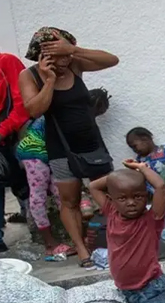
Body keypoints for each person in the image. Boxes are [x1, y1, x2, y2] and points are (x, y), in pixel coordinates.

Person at [18, 27, 119, 268]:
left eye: (64, 55)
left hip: (93, 144)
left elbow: (112, 60)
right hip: (61, 149)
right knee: (69, 201)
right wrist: (50, 80)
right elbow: (34, 110)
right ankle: (83, 251)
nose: (63, 61)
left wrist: (73, 50)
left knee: (112, 194)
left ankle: (117, 241)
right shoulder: (30, 75)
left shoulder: (75, 64)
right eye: (56, 57)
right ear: (42, 56)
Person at [89, 160, 165, 303]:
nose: (131, 202)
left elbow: (160, 186)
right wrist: (117, 176)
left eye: (137, 196)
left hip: (151, 289)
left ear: (145, 197)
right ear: (111, 199)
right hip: (125, 289)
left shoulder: (151, 219)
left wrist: (141, 169)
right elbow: (93, 186)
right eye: (122, 198)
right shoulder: (111, 212)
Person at [15, 87, 112, 258]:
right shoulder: (70, 115)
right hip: (34, 152)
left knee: (63, 196)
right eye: (100, 111)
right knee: (38, 196)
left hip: (53, 153)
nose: (99, 115)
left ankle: (78, 240)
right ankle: (49, 243)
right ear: (94, 106)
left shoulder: (79, 115)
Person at [0, 52, 31, 252]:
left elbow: (22, 103)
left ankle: (30, 217)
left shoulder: (6, 62)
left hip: (15, 132)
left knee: (22, 179)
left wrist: (3, 129)